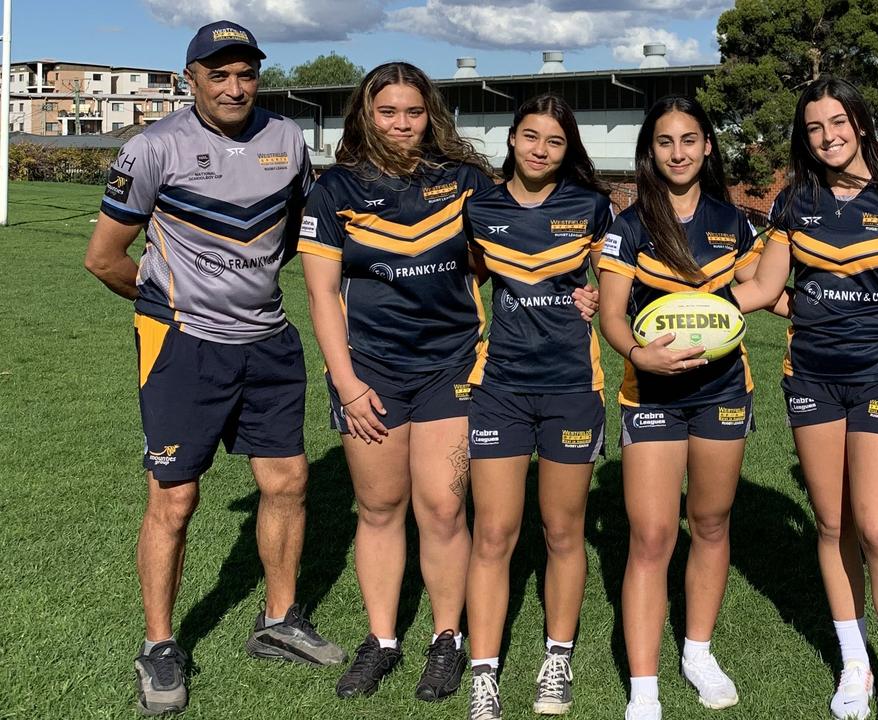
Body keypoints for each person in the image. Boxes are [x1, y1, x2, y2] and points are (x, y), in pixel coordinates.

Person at [83, 20, 345, 716]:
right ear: (190, 77)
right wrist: (173, 304)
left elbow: (291, 236)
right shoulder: (150, 148)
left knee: (287, 482)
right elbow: (105, 258)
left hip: (269, 341)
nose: (234, 87)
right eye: (218, 73)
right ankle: (160, 646)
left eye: (246, 73)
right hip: (184, 345)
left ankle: (279, 620)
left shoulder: (287, 140)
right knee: (175, 498)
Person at [732, 76, 878, 720]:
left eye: (839, 122)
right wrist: (684, 307)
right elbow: (765, 285)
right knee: (832, 525)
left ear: (861, 124)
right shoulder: (793, 202)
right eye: (815, 127)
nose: (828, 137)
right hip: (811, 378)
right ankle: (855, 667)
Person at [298, 61, 491, 702]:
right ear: (365, 115)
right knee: (380, 509)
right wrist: (348, 384)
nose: (402, 124)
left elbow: (507, 255)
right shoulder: (333, 191)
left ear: (430, 114)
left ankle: (446, 639)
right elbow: (323, 297)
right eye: (388, 112)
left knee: (443, 506)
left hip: (451, 366)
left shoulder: (465, 182)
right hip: (370, 373)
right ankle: (381, 640)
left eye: (413, 112)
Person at [597, 95, 762, 720]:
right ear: (651, 151)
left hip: (723, 393)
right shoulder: (630, 224)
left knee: (712, 524)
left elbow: (760, 288)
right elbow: (613, 315)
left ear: (708, 146)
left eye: (689, 139)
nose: (678, 152)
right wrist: (640, 356)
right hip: (653, 395)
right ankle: (644, 688)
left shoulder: (734, 221)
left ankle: (697, 650)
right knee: (651, 535)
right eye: (665, 142)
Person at [462, 93, 614, 720]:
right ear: (513, 139)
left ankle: (556, 659)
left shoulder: (591, 205)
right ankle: (484, 673)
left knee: (561, 529)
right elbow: (465, 281)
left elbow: (613, 281)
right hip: (499, 388)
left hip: (573, 387)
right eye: (530, 137)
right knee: (494, 532)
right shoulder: (481, 207)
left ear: (567, 148)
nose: (540, 150)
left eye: (554, 141)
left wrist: (598, 296)